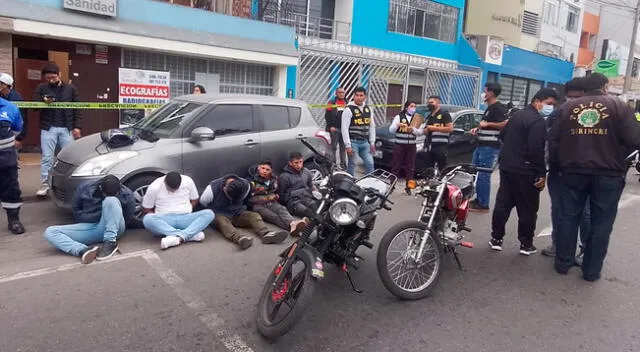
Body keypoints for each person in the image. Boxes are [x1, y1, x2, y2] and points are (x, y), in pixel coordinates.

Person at [549, 73, 640, 281]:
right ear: (605, 86)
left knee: (567, 217)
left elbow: (553, 141)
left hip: (571, 172)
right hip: (608, 173)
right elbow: (635, 139)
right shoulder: (618, 106)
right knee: (602, 223)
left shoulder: (567, 108)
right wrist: (619, 158)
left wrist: (557, 166)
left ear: (584, 89)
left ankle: (563, 263)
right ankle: (591, 271)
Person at [489, 88, 558, 255]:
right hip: (526, 171)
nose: (551, 108)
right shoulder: (537, 121)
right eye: (549, 104)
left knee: (503, 204)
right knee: (527, 209)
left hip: (507, 167)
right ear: (538, 101)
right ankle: (526, 244)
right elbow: (536, 149)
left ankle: (496, 239)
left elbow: (503, 135)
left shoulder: (516, 116)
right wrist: (541, 172)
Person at [542, 78, 591, 263]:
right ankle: (565, 246)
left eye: (576, 97)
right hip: (569, 171)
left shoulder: (565, 113)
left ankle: (575, 248)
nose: (574, 101)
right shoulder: (560, 114)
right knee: (565, 210)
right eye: (572, 97)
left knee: (576, 211)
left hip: (575, 171)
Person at [44, 175, 136, 264]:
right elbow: (76, 208)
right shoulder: (85, 188)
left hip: (115, 228)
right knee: (50, 232)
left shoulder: (126, 194)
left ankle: (110, 242)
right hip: (92, 227)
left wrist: (113, 221)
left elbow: (128, 216)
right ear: (101, 188)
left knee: (111, 200)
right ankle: (83, 250)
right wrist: (84, 221)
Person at [201, 175, 288, 250]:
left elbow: (246, 199)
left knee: (254, 216)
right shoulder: (211, 189)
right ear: (224, 188)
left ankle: (266, 233)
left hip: (237, 212)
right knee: (222, 221)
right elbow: (203, 203)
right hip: (220, 214)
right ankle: (240, 239)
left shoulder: (246, 185)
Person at [33, 63, 82, 197]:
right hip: (48, 128)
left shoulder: (70, 89)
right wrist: (43, 101)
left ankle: (69, 182)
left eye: (53, 77)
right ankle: (45, 183)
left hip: (67, 128)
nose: (51, 80)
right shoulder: (41, 88)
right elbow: (34, 106)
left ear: (59, 75)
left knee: (69, 157)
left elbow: (78, 108)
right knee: (47, 157)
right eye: (48, 78)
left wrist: (77, 126)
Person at [142, 172, 215, 250]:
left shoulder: (188, 181)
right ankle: (189, 235)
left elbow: (195, 199)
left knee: (209, 213)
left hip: (185, 217)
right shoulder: (155, 186)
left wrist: (188, 209)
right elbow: (146, 208)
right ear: (165, 182)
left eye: (176, 189)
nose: (174, 191)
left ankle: (176, 237)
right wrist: (159, 222)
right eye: (170, 189)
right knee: (147, 219)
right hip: (165, 220)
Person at [470, 82, 509, 212]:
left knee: (484, 175)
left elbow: (505, 123)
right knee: (474, 172)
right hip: (481, 145)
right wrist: (478, 128)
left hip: (490, 147)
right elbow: (485, 123)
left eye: (485, 91)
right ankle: (478, 198)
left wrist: (488, 124)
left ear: (491, 93)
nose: (483, 93)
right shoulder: (489, 108)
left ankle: (483, 204)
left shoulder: (499, 108)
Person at [247, 160, 308, 235]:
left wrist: (275, 196)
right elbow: (249, 197)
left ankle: (293, 223)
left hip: (271, 202)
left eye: (267, 169)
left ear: (271, 171)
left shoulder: (273, 179)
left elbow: (274, 191)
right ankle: (294, 227)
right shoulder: (250, 180)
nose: (265, 171)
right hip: (257, 205)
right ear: (258, 168)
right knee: (273, 216)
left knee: (282, 209)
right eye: (263, 168)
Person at [0, 96, 25, 234]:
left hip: (6, 156)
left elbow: (17, 128)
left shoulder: (10, 107)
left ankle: (14, 220)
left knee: (11, 188)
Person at [341, 86, 376, 176]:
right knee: (352, 164)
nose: (359, 98)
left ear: (365, 97)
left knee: (370, 163)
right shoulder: (349, 109)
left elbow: (372, 126)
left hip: (365, 142)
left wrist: (372, 142)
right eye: (357, 95)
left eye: (361, 95)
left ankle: (368, 185)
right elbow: (344, 128)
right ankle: (350, 184)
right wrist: (348, 145)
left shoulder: (368, 109)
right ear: (353, 96)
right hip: (353, 142)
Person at [389, 100, 421, 194]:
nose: (413, 108)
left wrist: (413, 130)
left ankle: (408, 187)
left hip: (411, 145)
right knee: (395, 166)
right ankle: (392, 185)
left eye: (415, 106)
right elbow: (391, 130)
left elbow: (420, 132)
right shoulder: (399, 117)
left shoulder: (417, 118)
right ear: (407, 107)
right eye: (411, 106)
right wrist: (397, 125)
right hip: (399, 144)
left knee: (410, 167)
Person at [279, 151, 319, 219]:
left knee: (316, 207)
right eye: (296, 163)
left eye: (301, 162)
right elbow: (281, 194)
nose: (299, 165)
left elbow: (311, 186)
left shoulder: (306, 172)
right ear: (290, 163)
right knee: (309, 213)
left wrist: (316, 192)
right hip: (293, 202)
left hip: (306, 197)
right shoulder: (284, 177)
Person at [423, 96, 453, 172]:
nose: (429, 104)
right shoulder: (430, 116)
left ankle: (442, 182)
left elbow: (450, 128)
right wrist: (426, 130)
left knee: (442, 168)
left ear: (438, 103)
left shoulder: (444, 114)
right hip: (431, 145)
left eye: (432, 102)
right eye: (428, 103)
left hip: (441, 146)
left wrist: (433, 128)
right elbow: (426, 130)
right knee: (429, 169)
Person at [0, 73, 27, 149]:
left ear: (4, 85)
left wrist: (19, 138)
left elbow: (22, 120)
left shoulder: (16, 98)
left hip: (10, 139)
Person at [324, 87, 348, 169]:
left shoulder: (347, 102)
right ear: (336, 93)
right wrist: (330, 126)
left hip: (344, 129)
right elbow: (327, 115)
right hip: (334, 129)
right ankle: (333, 164)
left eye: (343, 92)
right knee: (333, 148)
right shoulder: (332, 102)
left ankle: (343, 164)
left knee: (343, 148)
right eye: (340, 92)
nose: (342, 94)